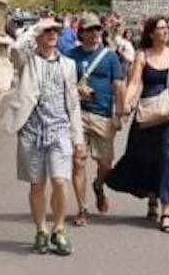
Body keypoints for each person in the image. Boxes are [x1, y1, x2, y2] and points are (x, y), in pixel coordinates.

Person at [105, 15, 169, 233]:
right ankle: (152, 197)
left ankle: (166, 210)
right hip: (148, 111)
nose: (166, 31)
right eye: (161, 29)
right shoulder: (142, 56)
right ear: (151, 33)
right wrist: (125, 105)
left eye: (167, 28)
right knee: (149, 157)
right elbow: (134, 83)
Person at [0, 17, 85, 255]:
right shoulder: (28, 61)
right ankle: (41, 230)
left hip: (60, 130)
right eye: (47, 31)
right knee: (37, 185)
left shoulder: (68, 64)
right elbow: (14, 48)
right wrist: (37, 27)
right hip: (33, 130)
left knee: (59, 181)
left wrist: (78, 139)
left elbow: (73, 104)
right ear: (38, 36)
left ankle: (59, 228)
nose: (52, 34)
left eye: (55, 30)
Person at [64, 13, 126, 226]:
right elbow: (60, 84)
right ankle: (82, 208)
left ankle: (98, 186)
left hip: (102, 115)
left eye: (97, 29)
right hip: (77, 114)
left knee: (105, 164)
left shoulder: (109, 57)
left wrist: (119, 115)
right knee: (78, 159)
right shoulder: (70, 55)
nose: (95, 33)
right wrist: (76, 89)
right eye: (90, 29)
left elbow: (119, 86)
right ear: (81, 32)